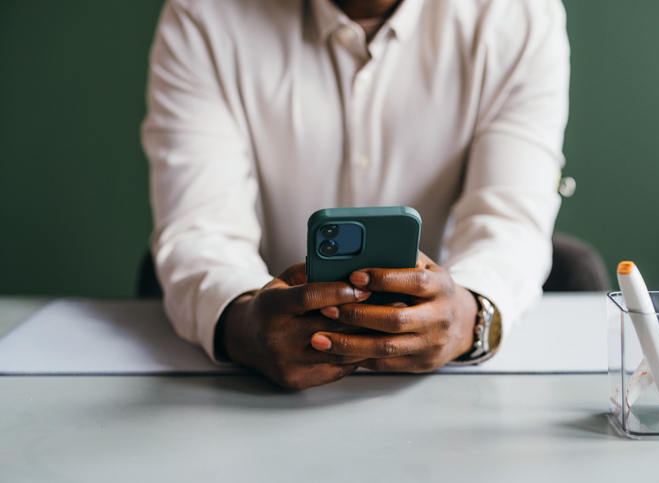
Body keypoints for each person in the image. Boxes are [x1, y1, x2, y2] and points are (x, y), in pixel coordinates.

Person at [142, 0, 570, 390]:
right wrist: (244, 322)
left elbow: (510, 222)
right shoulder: (204, 16)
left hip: (441, 382)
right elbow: (200, 230)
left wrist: (467, 319)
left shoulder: (518, 16)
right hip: (262, 384)